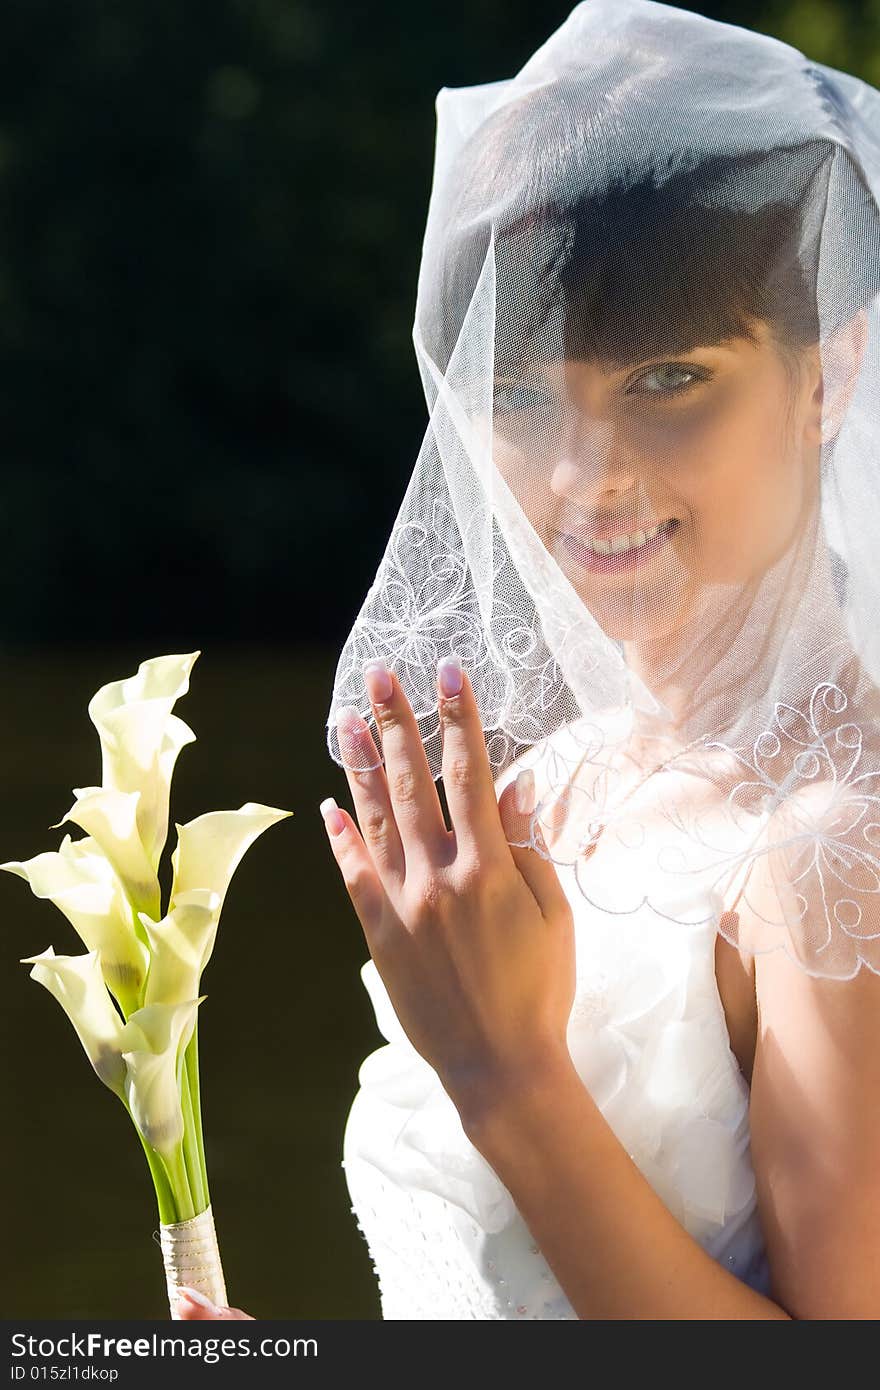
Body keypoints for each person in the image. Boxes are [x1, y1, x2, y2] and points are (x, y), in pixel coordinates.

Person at [177, 0, 880, 1320]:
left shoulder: (835, 851)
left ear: (827, 373)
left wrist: (510, 1078)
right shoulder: (558, 787)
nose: (581, 475)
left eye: (668, 378)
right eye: (519, 393)